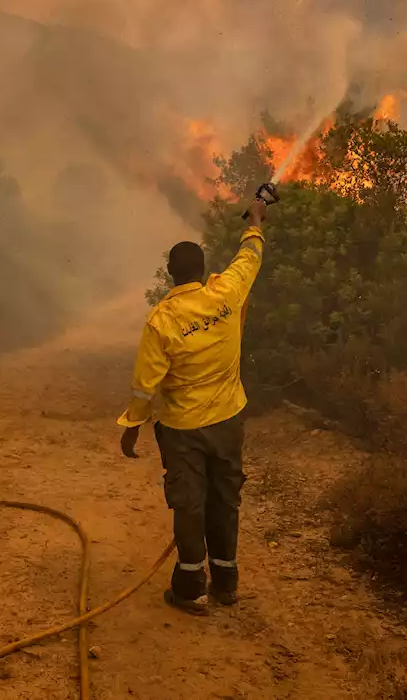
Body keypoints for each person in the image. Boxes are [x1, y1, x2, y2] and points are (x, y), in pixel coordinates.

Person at [118, 197, 268, 616]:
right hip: (228, 423)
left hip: (183, 430)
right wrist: (255, 221)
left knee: (189, 504)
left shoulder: (162, 321)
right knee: (225, 499)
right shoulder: (227, 292)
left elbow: (145, 387)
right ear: (201, 271)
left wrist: (131, 430)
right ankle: (226, 583)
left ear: (170, 275)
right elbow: (249, 257)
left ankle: (190, 588)